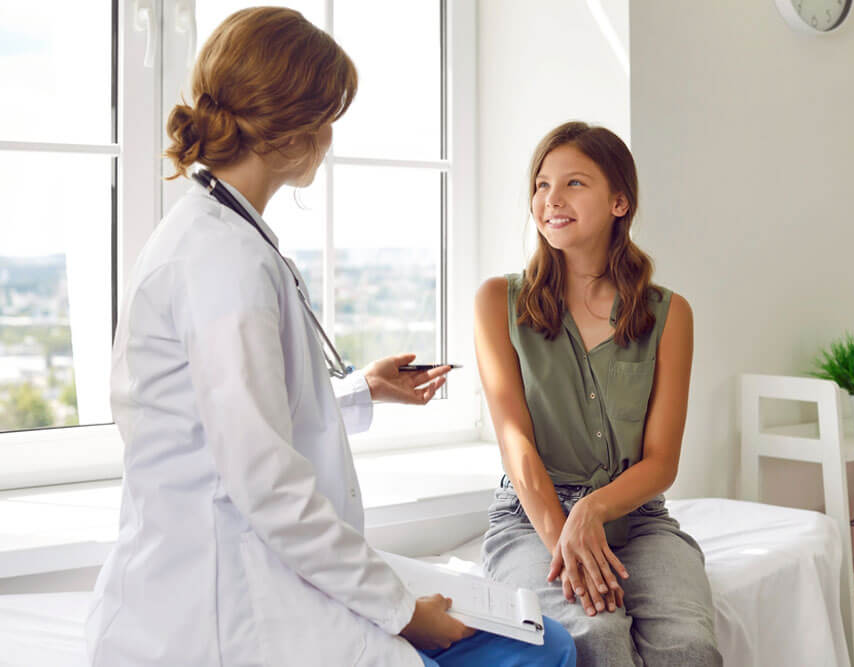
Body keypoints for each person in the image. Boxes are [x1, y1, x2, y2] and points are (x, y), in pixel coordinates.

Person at [85, 8, 575, 667]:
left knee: (543, 636)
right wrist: (405, 613)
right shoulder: (222, 263)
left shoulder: (219, 234)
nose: (331, 137)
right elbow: (266, 482)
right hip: (228, 607)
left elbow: (228, 425)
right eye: (327, 119)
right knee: (542, 651)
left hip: (252, 567)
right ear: (292, 129)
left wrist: (360, 391)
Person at [474, 121, 723, 666]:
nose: (551, 200)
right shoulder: (498, 302)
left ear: (619, 202)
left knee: (690, 647)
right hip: (531, 518)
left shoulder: (669, 314)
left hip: (638, 518)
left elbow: (662, 462)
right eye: (541, 185)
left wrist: (593, 510)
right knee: (596, 639)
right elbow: (515, 442)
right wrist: (565, 532)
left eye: (574, 184)